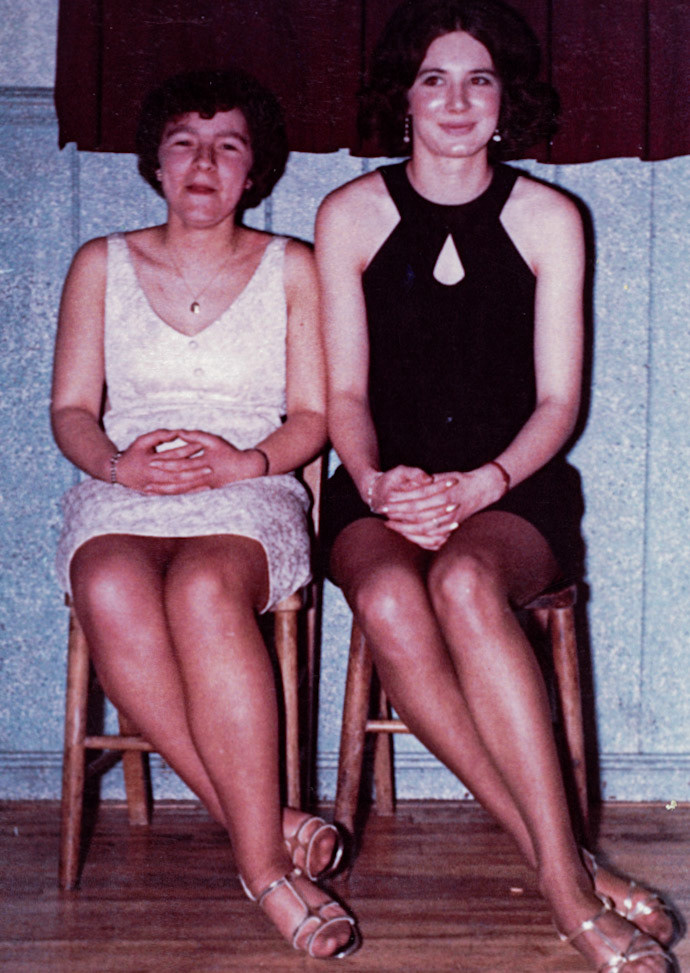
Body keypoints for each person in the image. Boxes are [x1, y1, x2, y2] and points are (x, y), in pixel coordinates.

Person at [315, 1, 678, 969]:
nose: (456, 99)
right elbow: (343, 390)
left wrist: (480, 485)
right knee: (392, 591)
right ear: (403, 96)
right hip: (379, 487)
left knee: (467, 585)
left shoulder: (550, 218)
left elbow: (560, 400)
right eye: (434, 77)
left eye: (479, 79)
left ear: (507, 100)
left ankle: (566, 886)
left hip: (514, 487)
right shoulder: (348, 214)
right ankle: (570, 872)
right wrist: (376, 479)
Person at [52, 69, 358, 960]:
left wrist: (247, 460)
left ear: (254, 170)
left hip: (251, 481)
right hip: (126, 478)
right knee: (106, 581)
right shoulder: (100, 263)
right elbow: (72, 409)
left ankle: (262, 868)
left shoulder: (292, 267)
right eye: (185, 140)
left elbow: (314, 417)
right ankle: (269, 827)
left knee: (201, 591)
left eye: (228, 145)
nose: (204, 161)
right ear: (155, 157)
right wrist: (117, 462)